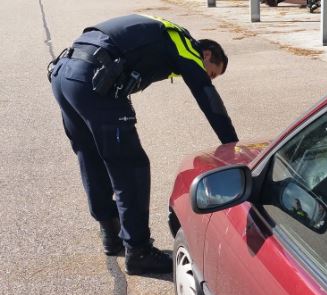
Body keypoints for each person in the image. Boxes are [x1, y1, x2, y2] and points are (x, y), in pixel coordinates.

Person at [48, 14, 238, 275]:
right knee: (132, 167)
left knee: (90, 156)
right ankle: (139, 251)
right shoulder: (185, 44)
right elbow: (207, 97)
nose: (208, 77)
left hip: (65, 74)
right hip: (93, 78)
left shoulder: (159, 35)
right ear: (206, 54)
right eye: (212, 72)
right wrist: (233, 147)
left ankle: (111, 234)